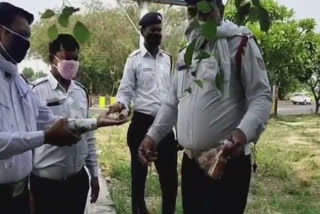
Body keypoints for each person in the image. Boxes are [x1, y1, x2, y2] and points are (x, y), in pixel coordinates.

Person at [138, 0, 272, 213]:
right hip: (191, 164)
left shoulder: (240, 43)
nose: (199, 17)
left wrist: (243, 132)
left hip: (226, 162)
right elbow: (172, 103)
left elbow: (261, 97)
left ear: (220, 11)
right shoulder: (186, 54)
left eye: (206, 10)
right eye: (192, 11)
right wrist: (151, 136)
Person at [0, 3, 126, 214]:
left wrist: (97, 122)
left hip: (23, 196)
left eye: (28, 37)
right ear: (2, 32)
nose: (26, 44)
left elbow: (50, 120)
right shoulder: (36, 87)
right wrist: (46, 137)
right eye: (21, 35)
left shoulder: (18, 83)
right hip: (36, 188)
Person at [110, 12, 178, 214]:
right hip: (141, 124)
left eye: (159, 30)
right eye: (152, 30)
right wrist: (120, 105)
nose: (157, 34)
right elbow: (125, 91)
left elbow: (173, 94)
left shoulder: (169, 60)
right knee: (139, 181)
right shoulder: (134, 60)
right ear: (143, 32)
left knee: (170, 182)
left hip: (165, 125)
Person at [30, 34, 99, 214]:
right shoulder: (37, 92)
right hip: (46, 186)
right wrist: (28, 188)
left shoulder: (81, 92)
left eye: (75, 59)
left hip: (77, 182)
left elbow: (89, 136)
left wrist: (94, 174)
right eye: (66, 58)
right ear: (52, 58)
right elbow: (27, 140)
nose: (71, 63)